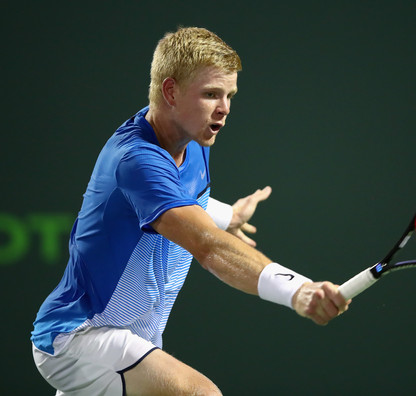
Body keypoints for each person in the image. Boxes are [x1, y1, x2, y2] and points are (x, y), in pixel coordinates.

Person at [31, 27, 350, 395]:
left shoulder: (191, 136)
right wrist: (298, 291)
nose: (225, 108)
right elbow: (208, 246)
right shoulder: (136, 160)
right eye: (211, 94)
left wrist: (228, 216)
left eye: (229, 95)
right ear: (170, 92)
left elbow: (178, 202)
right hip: (81, 337)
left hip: (133, 341)